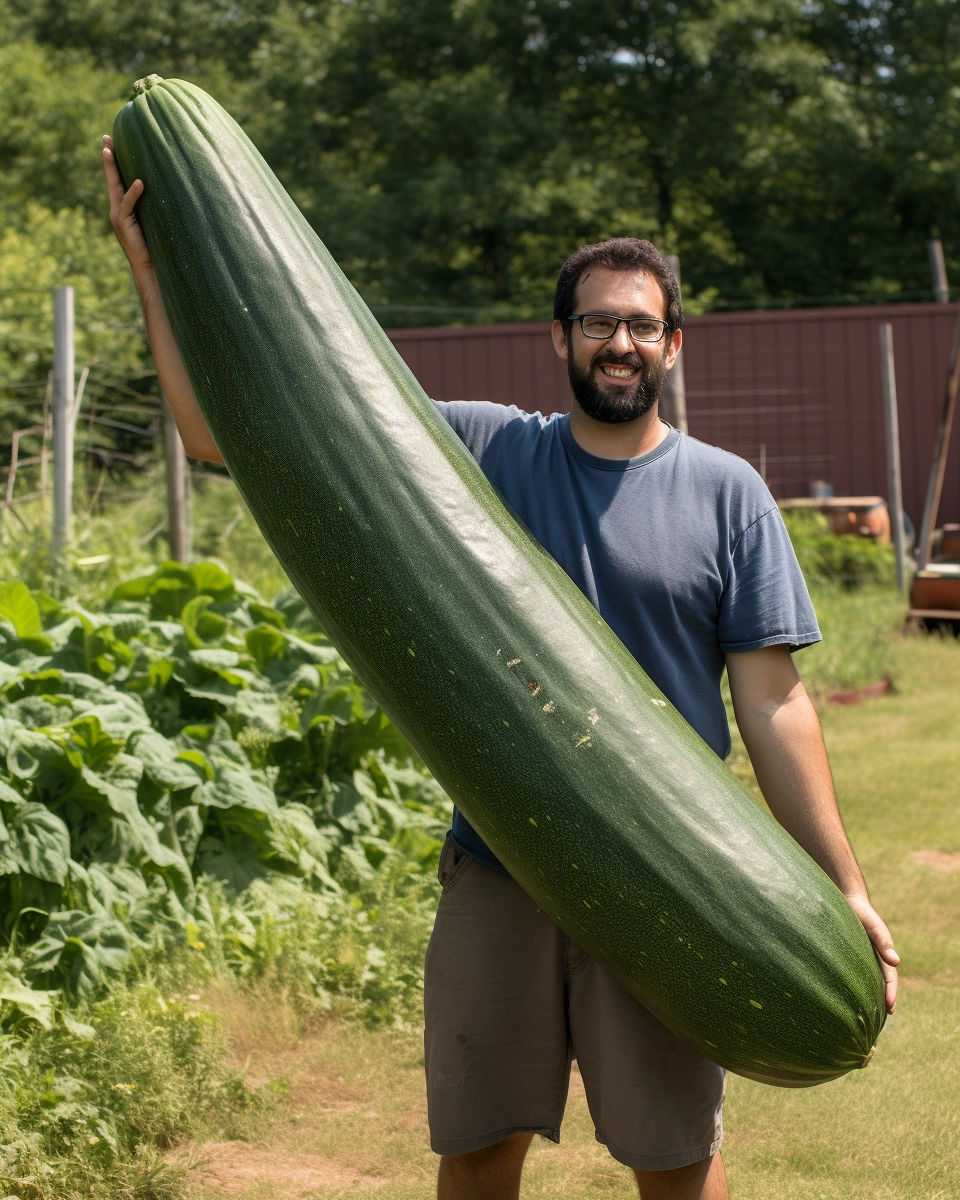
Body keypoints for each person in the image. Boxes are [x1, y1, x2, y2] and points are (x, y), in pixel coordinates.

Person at [104, 138, 899, 1200]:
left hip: (677, 878)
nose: (620, 342)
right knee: (478, 1154)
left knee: (675, 1161)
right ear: (560, 337)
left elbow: (774, 702)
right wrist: (156, 273)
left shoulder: (727, 493)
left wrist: (841, 884)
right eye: (599, 322)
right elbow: (218, 435)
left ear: (672, 344)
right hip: (499, 868)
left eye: (641, 324)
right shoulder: (478, 453)